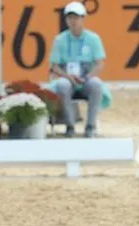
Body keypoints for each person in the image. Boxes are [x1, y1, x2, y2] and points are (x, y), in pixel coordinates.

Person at [48, 1, 109, 138]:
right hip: (68, 78)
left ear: (83, 18)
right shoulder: (60, 40)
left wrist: (87, 77)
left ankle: (91, 126)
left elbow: (100, 64)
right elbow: (54, 66)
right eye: (70, 18)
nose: (73, 21)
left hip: (86, 78)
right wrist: (68, 76)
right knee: (62, 85)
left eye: (76, 17)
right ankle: (70, 126)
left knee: (96, 84)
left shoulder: (93, 39)